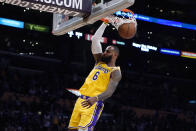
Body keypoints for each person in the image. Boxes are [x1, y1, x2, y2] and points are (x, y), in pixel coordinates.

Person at [68, 21, 122, 131]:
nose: (104, 53)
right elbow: (95, 39)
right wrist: (106, 22)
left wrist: (96, 98)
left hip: (93, 103)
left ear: (115, 55)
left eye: (108, 52)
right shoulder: (99, 61)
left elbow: (109, 92)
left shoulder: (116, 71)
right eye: (105, 51)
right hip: (80, 100)